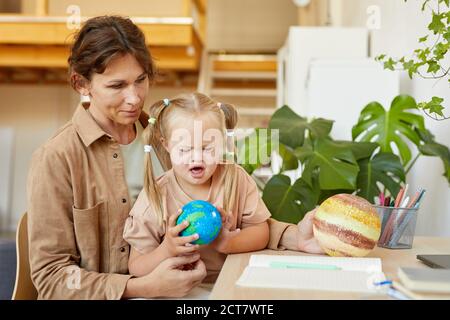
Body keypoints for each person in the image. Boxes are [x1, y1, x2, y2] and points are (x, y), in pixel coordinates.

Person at [26, 15, 322, 300]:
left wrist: (296, 238)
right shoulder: (56, 159)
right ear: (82, 84)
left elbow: (237, 219)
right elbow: (52, 278)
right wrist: (141, 288)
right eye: (117, 86)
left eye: (140, 80)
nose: (134, 97)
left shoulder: (177, 137)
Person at [123, 93, 271, 284]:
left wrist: (229, 243)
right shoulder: (156, 195)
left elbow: (262, 232)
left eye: (208, 148)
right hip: (177, 291)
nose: (197, 158)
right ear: (166, 144)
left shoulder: (236, 179)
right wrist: (167, 249)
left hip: (231, 284)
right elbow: (136, 266)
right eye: (185, 150)